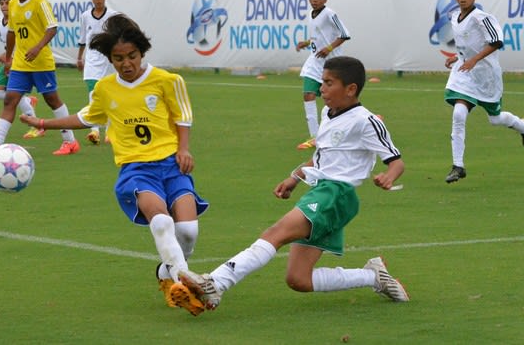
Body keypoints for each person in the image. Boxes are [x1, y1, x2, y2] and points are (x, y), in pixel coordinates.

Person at [175, 56, 409, 314]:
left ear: (351, 89)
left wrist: (389, 176)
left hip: (336, 194)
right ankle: (373, 276)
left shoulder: (366, 121)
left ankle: (216, 282)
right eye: (322, 82)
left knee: (274, 234)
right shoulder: (327, 113)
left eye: (329, 83)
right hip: (323, 192)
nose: (321, 89)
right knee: (298, 279)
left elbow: (396, 161)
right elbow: (322, 156)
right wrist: (295, 177)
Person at [19, 14, 209, 316]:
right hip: (137, 170)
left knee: (188, 232)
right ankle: (185, 283)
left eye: (132, 56)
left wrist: (184, 149)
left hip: (172, 166)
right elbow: (85, 118)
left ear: (142, 53)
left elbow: (182, 115)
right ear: (110, 59)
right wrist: (42, 122)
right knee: (161, 222)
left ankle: (167, 273)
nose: (126, 63)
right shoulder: (106, 89)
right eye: (118, 58)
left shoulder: (167, 81)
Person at [0, 0, 80, 156]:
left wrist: (38, 47)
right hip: (21, 64)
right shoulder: (13, 4)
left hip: (41, 63)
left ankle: (70, 142)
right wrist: (8, 58)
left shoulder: (39, 3)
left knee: (52, 100)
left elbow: (52, 28)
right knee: (9, 100)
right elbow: (12, 32)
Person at [443, 0, 524, 184]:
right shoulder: (454, 17)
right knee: (458, 113)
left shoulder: (482, 18)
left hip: (486, 76)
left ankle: (523, 126)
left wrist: (474, 60)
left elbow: (496, 41)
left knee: (495, 119)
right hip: (464, 74)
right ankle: (458, 166)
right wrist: (456, 58)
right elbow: (467, 47)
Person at [295, 0, 350, 150]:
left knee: (335, 101)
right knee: (308, 95)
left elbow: (345, 34)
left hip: (332, 64)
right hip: (315, 62)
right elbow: (318, 37)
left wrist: (329, 48)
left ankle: (355, 124)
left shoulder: (329, 14)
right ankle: (314, 136)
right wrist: (307, 42)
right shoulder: (311, 15)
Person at [0, 0, 43, 140]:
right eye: (2, 3)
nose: (5, 5)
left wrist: (12, 58)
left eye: (7, 2)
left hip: (19, 61)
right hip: (10, 60)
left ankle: (37, 127)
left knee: (15, 95)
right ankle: (27, 100)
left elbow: (23, 43)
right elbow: (10, 43)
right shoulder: (0, 20)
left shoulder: (19, 19)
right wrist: (6, 55)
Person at [77, 0, 118, 145]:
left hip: (108, 59)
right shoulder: (85, 16)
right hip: (92, 59)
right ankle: (94, 130)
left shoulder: (114, 16)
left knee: (108, 95)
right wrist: (80, 58)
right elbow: (82, 39)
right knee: (93, 93)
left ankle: (110, 131)